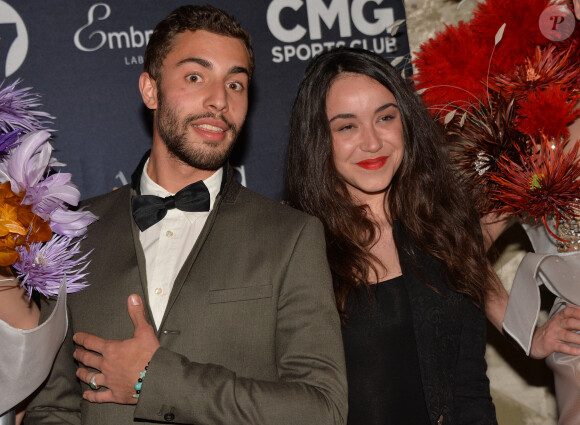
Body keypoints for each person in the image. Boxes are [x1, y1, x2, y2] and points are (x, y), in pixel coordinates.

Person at [24, 5, 347, 425]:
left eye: (236, 83)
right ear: (150, 90)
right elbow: (53, 409)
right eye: (196, 77)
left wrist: (155, 380)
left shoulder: (291, 236)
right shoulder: (71, 234)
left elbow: (322, 409)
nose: (219, 100)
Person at [286, 47, 498, 425]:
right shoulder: (295, 247)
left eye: (385, 118)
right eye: (347, 126)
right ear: (318, 139)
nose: (372, 142)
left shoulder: (445, 225)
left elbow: (469, 390)